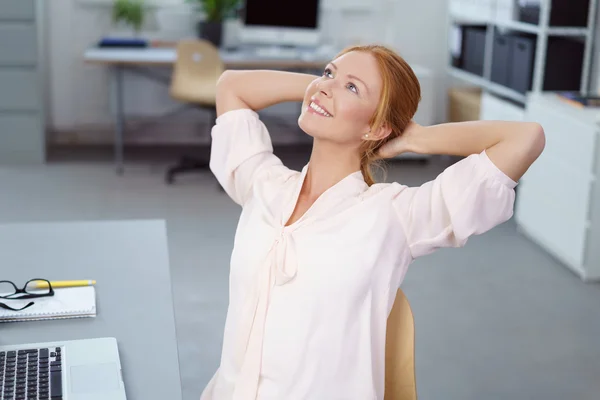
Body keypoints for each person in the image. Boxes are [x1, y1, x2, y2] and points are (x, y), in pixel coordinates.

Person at [200, 44, 545, 400]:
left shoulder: (394, 215)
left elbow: (526, 138)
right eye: (328, 72)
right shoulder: (265, 185)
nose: (327, 85)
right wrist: (322, 90)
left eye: (353, 87)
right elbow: (231, 86)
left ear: (377, 127)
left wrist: (417, 137)